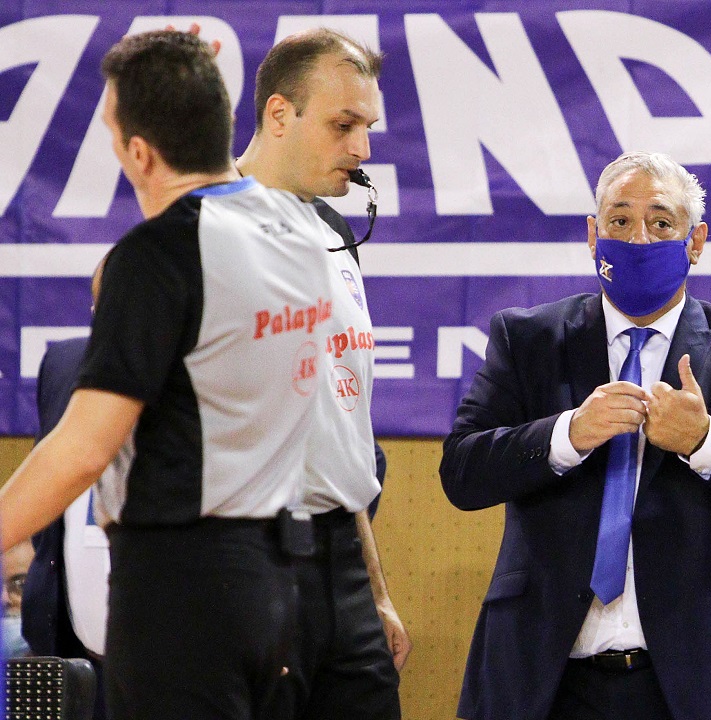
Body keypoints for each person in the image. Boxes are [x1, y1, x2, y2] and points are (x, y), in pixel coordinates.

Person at [0, 29, 339, 718]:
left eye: (110, 131)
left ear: (139, 152)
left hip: (183, 589)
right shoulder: (304, 231)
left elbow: (84, 448)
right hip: (282, 583)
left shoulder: (158, 255)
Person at [440, 151, 711, 720]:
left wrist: (705, 441)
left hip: (689, 687)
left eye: (661, 222)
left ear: (695, 242)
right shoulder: (527, 339)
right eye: (619, 221)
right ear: (592, 236)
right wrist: (568, 434)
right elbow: (462, 473)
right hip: (541, 680)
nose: (639, 239)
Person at [236, 28, 407, 719]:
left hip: (342, 565)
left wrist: (375, 591)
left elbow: (342, 431)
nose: (363, 148)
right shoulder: (203, 226)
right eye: (344, 125)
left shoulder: (337, 234)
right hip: (248, 561)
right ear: (280, 114)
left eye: (368, 128)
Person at [22, 257, 117, 720]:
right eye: (104, 309)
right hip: (70, 647)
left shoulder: (218, 376)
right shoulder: (64, 363)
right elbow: (49, 482)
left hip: (182, 645)